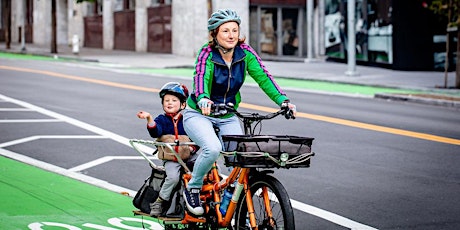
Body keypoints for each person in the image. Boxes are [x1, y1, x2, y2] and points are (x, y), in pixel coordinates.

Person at [181, 9, 297, 216]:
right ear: (215, 34)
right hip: (199, 113)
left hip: (227, 115)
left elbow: (263, 77)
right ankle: (194, 188)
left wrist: (283, 100)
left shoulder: (245, 53)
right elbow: (200, 76)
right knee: (213, 148)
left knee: (244, 154)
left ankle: (231, 192)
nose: (231, 35)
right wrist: (203, 98)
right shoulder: (207, 53)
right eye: (225, 31)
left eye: (235, 30)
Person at [136, 82, 198, 217]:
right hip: (172, 158)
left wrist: (192, 149)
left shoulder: (188, 119)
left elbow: (197, 136)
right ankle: (160, 201)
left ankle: (203, 199)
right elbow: (155, 132)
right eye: (166, 100)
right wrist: (149, 119)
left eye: (174, 100)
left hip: (189, 155)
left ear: (183, 104)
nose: (169, 103)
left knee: (207, 168)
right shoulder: (162, 120)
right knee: (173, 177)